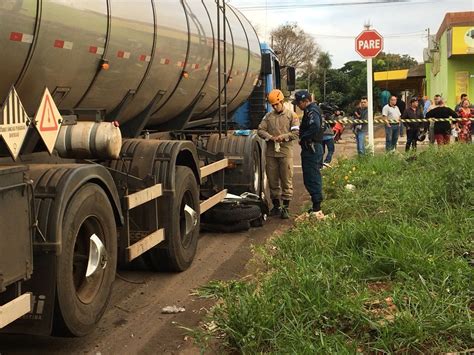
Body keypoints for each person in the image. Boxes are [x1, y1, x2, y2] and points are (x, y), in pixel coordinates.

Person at [257, 89, 299, 219]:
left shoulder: (292, 116)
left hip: (285, 152)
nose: (275, 107)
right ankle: (276, 206)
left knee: (286, 180)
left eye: (277, 104)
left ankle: (285, 208)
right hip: (271, 153)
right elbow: (260, 130)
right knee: (273, 180)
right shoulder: (268, 117)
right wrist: (270, 137)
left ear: (282, 101)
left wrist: (284, 137)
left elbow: (296, 133)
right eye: (273, 105)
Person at [292, 90, 325, 219]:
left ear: (305, 101)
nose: (298, 106)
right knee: (310, 177)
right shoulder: (311, 110)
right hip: (312, 148)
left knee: (312, 177)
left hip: (312, 148)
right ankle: (316, 204)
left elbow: (315, 126)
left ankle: (317, 207)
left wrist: (304, 137)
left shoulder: (312, 110)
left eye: (299, 103)